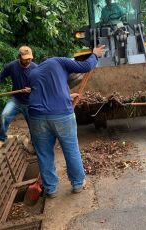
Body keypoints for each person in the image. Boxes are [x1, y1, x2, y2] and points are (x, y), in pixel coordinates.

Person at [28, 45, 105, 198]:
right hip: (61, 115)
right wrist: (94, 54)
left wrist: (67, 96)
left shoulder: (33, 72)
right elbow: (85, 66)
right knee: (71, 149)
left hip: (36, 116)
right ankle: (77, 184)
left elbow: (45, 93)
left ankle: (50, 189)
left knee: (44, 154)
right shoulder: (59, 61)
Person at [0, 46, 37, 150]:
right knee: (4, 115)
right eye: (26, 58)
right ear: (20, 57)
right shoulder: (12, 66)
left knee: (34, 124)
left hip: (30, 101)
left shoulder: (35, 68)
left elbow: (41, 85)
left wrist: (32, 89)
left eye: (30, 58)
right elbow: (0, 77)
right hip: (16, 100)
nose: (28, 60)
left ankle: (34, 143)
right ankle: (1, 139)